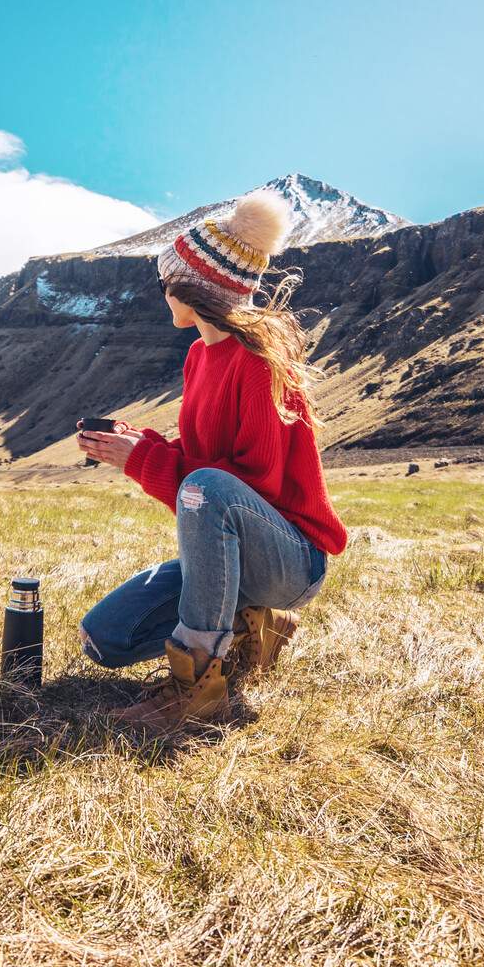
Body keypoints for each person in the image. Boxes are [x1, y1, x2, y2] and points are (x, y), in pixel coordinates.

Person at [75, 189, 348, 733]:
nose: (162, 295)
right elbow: (207, 466)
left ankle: (196, 689)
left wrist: (145, 460)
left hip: (288, 561)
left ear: (191, 289)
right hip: (232, 558)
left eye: (165, 284)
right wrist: (136, 444)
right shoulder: (200, 355)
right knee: (105, 638)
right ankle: (256, 631)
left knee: (205, 486)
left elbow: (242, 487)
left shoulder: (256, 362)